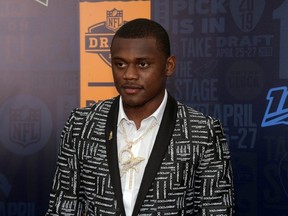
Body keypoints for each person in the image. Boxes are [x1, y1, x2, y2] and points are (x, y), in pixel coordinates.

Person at [46, 18, 235, 215]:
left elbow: (217, 211)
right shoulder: (81, 125)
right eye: (120, 64)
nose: (129, 75)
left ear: (169, 66)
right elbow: (62, 209)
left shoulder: (202, 132)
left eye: (143, 64)